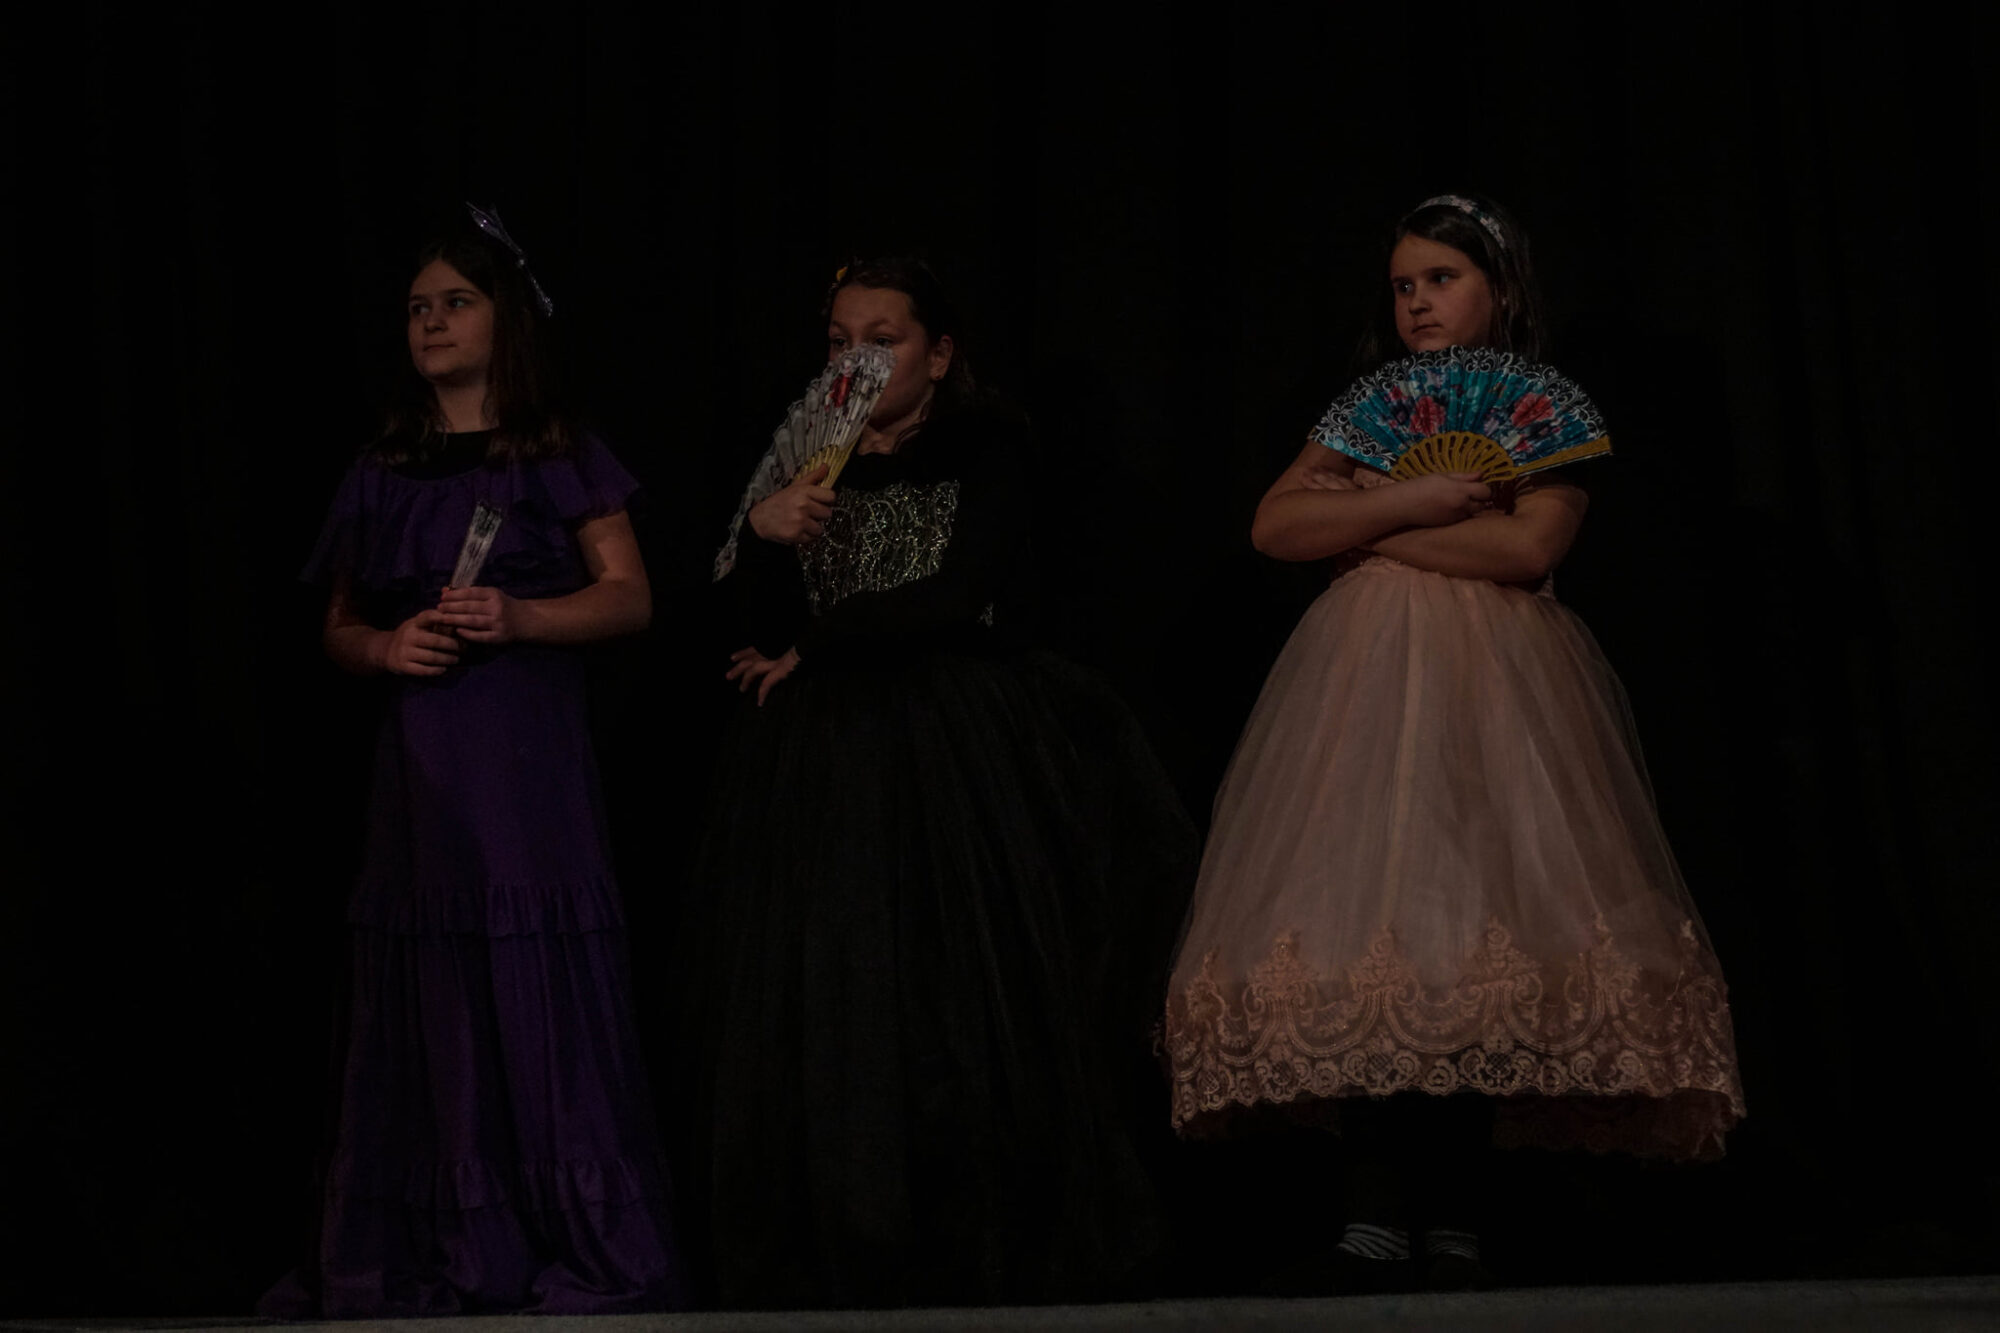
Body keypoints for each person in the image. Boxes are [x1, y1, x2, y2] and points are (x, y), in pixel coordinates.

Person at [1162, 194, 1745, 1292]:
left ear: (1501, 289)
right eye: (1404, 285)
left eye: (1442, 279)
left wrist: (1379, 528)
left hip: (1501, 682)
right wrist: (1420, 499)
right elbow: (1277, 525)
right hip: (1359, 681)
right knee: (1362, 921)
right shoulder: (1369, 405)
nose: (1419, 304)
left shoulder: (1537, 407)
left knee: (1476, 928)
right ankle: (1375, 1221)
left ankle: (1458, 1225)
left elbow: (1526, 551)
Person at [689, 257, 1193, 1309]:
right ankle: (844, 1231)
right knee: (832, 981)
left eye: (882, 340)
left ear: (939, 353)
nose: (856, 361)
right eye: (839, 342)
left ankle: (972, 1229)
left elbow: (960, 590)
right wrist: (767, 540)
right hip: (822, 756)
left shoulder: (986, 444)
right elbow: (748, 627)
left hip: (951, 734)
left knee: (954, 981)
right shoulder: (810, 459)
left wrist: (819, 644)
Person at [261, 209, 686, 1317]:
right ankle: (452, 1244)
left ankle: (575, 1236)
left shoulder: (555, 449)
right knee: (436, 989)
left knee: (533, 974)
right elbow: (340, 626)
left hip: (524, 757)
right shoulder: (383, 466)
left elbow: (630, 597)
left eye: (456, 302)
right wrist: (385, 647)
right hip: (423, 767)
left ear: (506, 320)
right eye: (418, 308)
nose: (433, 322)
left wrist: (521, 616)